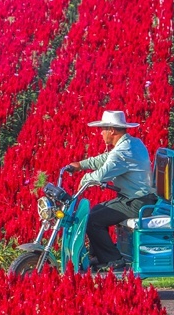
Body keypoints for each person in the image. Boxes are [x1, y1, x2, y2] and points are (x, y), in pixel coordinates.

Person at [67, 110, 157, 271]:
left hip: (138, 202)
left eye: (103, 129)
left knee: (93, 221)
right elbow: (105, 158)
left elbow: (102, 174)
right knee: (93, 213)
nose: (101, 133)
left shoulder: (123, 152)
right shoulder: (132, 143)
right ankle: (99, 256)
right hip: (133, 198)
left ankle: (113, 260)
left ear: (112, 130)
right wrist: (81, 165)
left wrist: (84, 181)